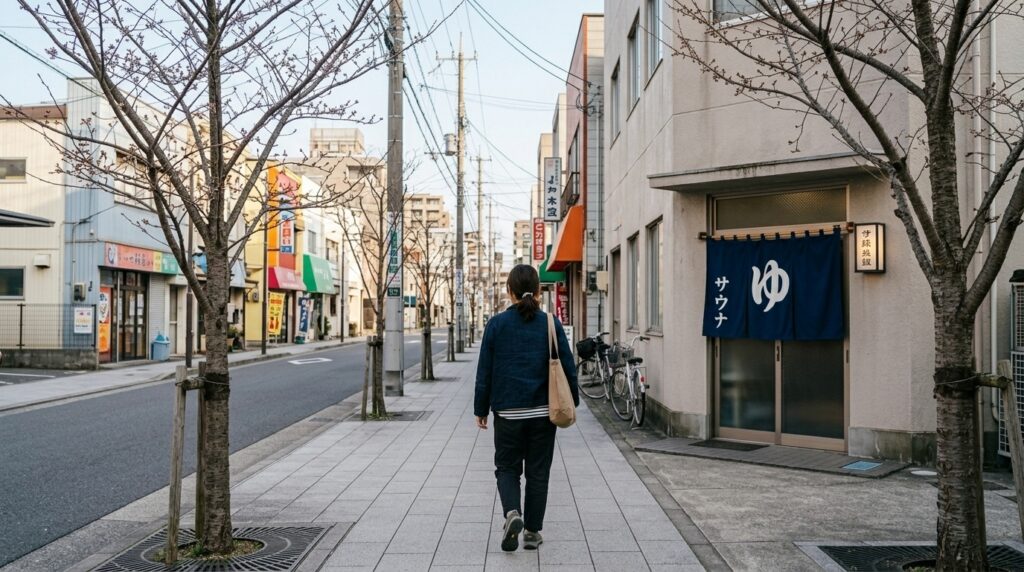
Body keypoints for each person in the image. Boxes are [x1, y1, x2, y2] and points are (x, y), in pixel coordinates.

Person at [474, 264, 578, 552]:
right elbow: (567, 366)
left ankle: (512, 514)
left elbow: (485, 372)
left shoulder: (496, 325)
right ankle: (532, 532)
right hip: (543, 413)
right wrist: (574, 403)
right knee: (538, 472)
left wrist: (480, 409)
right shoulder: (549, 323)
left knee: (507, 467)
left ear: (510, 291)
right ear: (540, 291)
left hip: (507, 412)